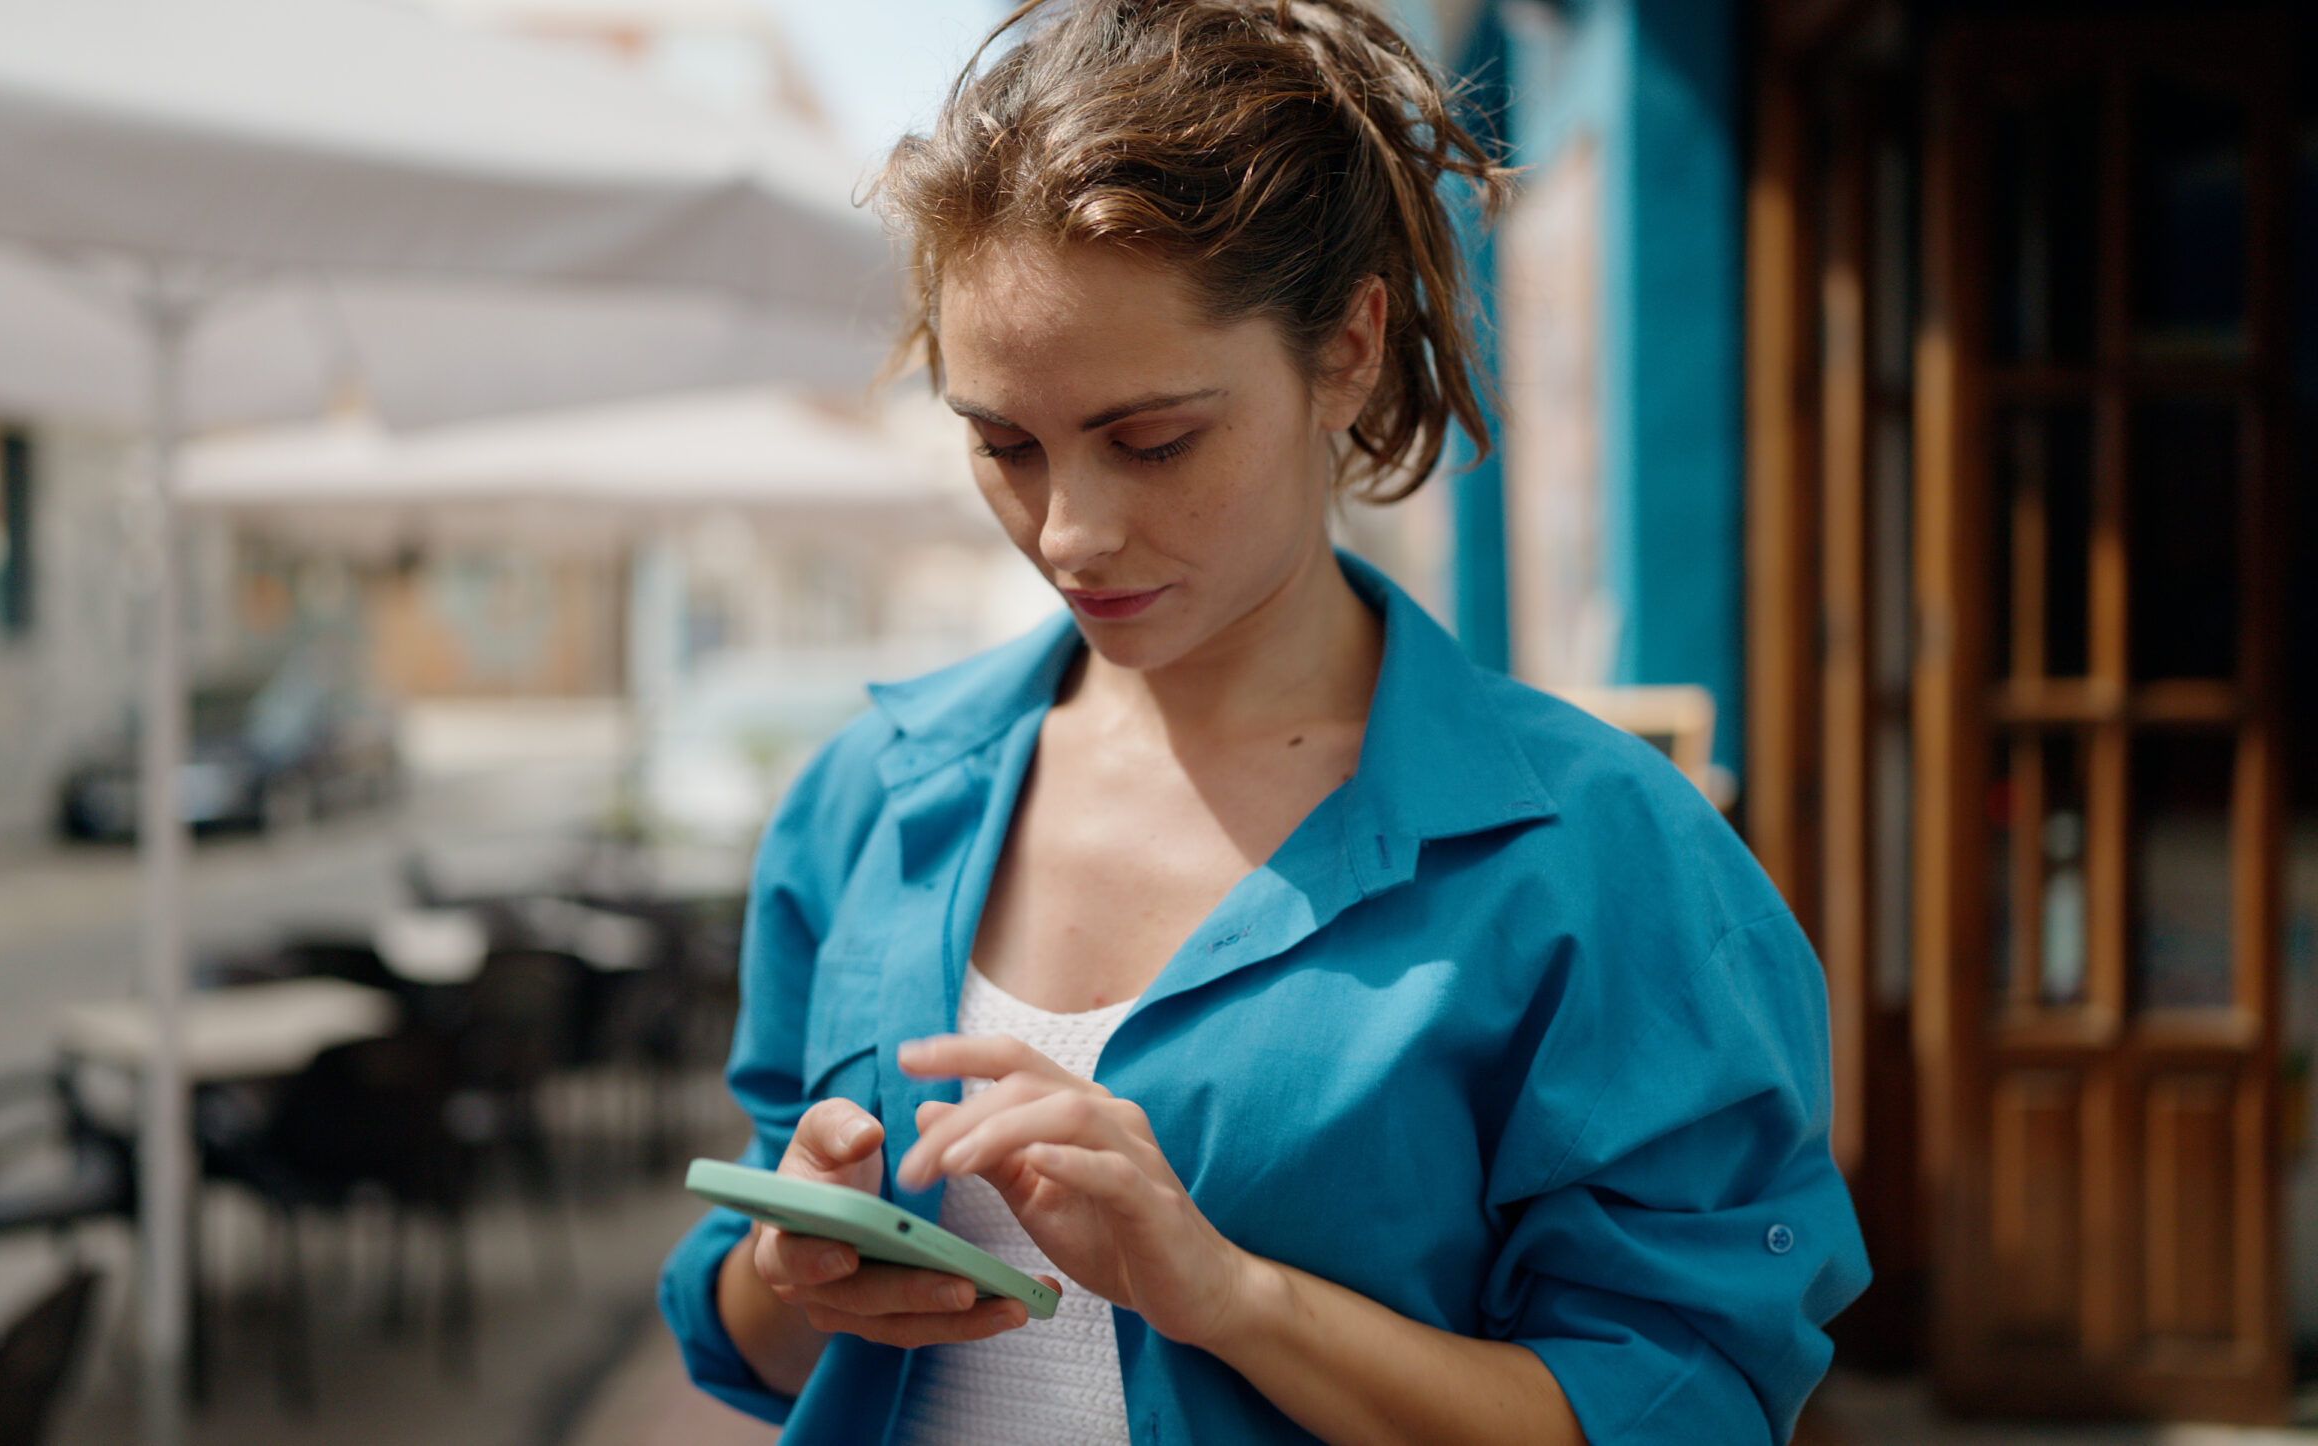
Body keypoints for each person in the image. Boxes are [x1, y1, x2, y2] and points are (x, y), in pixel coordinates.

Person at [659, 1, 1869, 1441]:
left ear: (1348, 347)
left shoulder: (1603, 856)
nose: (1072, 532)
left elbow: (1680, 1403)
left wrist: (1231, 1295)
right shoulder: (867, 795)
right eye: (1005, 444)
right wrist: (794, 1267)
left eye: (1152, 438)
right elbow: (749, 1340)